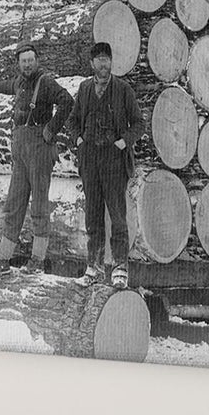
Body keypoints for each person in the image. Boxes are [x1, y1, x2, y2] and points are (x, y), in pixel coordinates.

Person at [0, 43, 73, 275]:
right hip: (20, 150)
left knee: (38, 205)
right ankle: (3, 258)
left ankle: (37, 259)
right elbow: (7, 86)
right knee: (14, 203)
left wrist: (51, 129)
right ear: (19, 63)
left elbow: (67, 102)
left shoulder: (45, 82)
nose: (27, 64)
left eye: (30, 60)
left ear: (37, 61)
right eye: (23, 61)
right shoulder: (19, 82)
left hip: (39, 148)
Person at [68, 41, 145, 287]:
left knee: (117, 215)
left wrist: (124, 142)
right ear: (92, 64)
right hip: (90, 159)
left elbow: (139, 123)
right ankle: (94, 266)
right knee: (93, 216)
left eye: (106, 59)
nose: (103, 63)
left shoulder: (123, 90)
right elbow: (72, 121)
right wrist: (78, 139)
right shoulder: (85, 89)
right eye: (98, 59)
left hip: (113, 159)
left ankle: (120, 267)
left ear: (111, 62)